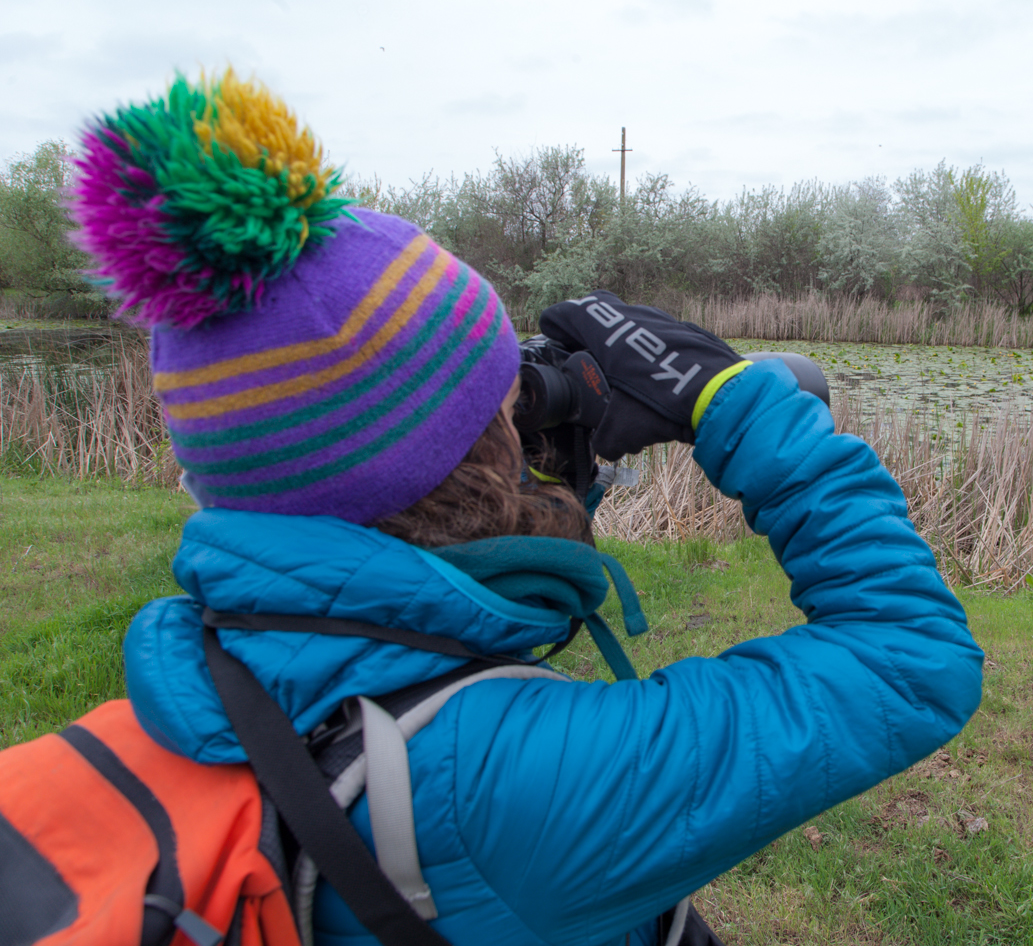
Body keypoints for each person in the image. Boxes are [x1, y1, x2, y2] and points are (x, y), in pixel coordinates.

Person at [40, 71, 983, 946]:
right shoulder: (508, 789)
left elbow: (421, 602)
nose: (521, 425)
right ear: (460, 461)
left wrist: (548, 496)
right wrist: (733, 403)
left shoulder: (223, 666)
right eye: (504, 406)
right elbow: (910, 658)